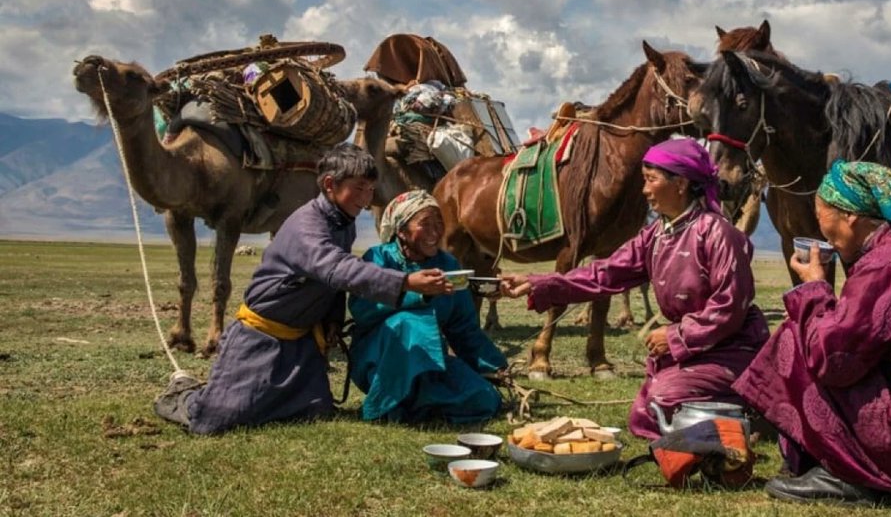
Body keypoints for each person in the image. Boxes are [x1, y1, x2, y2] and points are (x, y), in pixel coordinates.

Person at [734, 160, 891, 510]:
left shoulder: (886, 263)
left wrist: (815, 288)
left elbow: (832, 361)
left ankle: (846, 473)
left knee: (796, 338)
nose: (823, 234)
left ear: (851, 215)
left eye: (823, 217)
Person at [153, 143, 452, 435]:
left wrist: (333, 318)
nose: (365, 199)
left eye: (370, 189)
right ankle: (181, 393)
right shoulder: (307, 225)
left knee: (314, 410)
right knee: (212, 420)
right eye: (359, 188)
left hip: (299, 345)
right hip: (261, 338)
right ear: (330, 184)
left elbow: (333, 282)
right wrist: (404, 282)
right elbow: (336, 267)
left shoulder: (343, 221)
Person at [500, 137, 770, 439]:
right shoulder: (657, 234)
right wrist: (540, 283)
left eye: (651, 180)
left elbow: (729, 307)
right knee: (645, 411)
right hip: (693, 351)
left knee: (662, 403)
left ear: (680, 183)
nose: (644, 190)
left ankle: (753, 408)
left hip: (731, 350)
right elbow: (604, 274)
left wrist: (675, 335)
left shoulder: (717, 233)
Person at [348, 190, 508, 424]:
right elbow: (362, 308)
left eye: (439, 222)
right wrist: (418, 295)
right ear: (401, 231)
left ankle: (416, 409)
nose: (435, 231)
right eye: (425, 223)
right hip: (380, 360)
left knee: (487, 399)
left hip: (430, 360)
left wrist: (496, 367)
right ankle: (387, 405)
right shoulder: (379, 259)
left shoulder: (448, 264)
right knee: (410, 324)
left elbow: (463, 327)